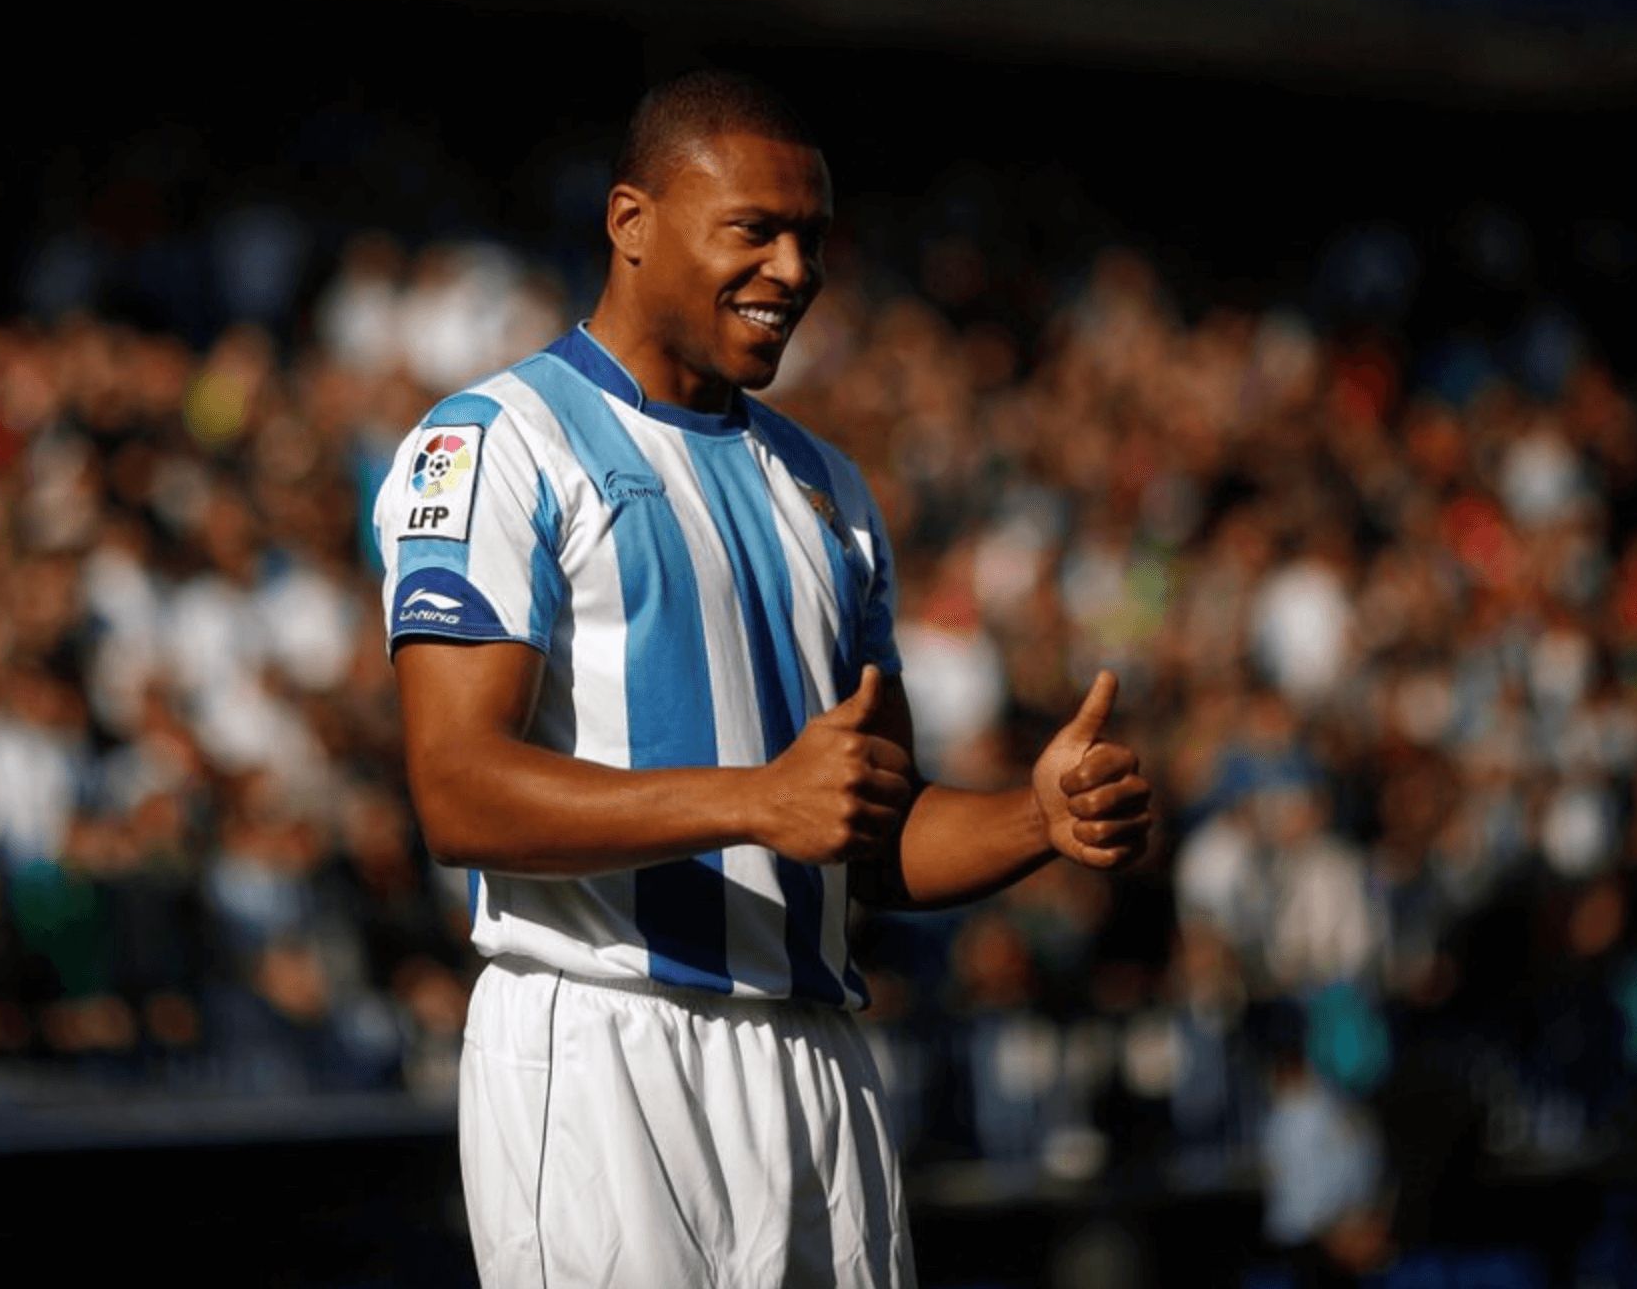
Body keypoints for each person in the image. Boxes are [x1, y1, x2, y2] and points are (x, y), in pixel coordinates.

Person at [373, 70, 1154, 1289]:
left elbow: (866, 833)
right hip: (602, 1039)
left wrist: (1032, 819)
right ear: (631, 222)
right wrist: (752, 799)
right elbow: (458, 791)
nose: (793, 270)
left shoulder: (828, 488)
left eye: (812, 238)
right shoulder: (493, 441)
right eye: (754, 230)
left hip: (818, 1056)